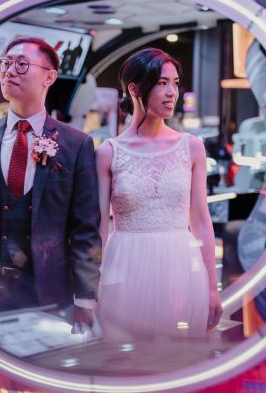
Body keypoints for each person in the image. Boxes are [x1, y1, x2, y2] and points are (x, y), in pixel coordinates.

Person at [0, 37, 101, 330]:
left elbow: (85, 230)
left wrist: (85, 299)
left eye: (22, 64)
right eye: (5, 64)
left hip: (52, 296)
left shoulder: (76, 145)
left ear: (49, 77)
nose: (9, 71)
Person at [95, 48, 222, 339]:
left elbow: (201, 220)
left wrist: (212, 288)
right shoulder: (107, 153)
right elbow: (100, 228)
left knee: (179, 361)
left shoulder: (191, 147)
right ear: (135, 88)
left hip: (179, 265)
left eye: (175, 83)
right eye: (162, 83)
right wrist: (92, 287)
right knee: (127, 364)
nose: (171, 93)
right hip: (125, 266)